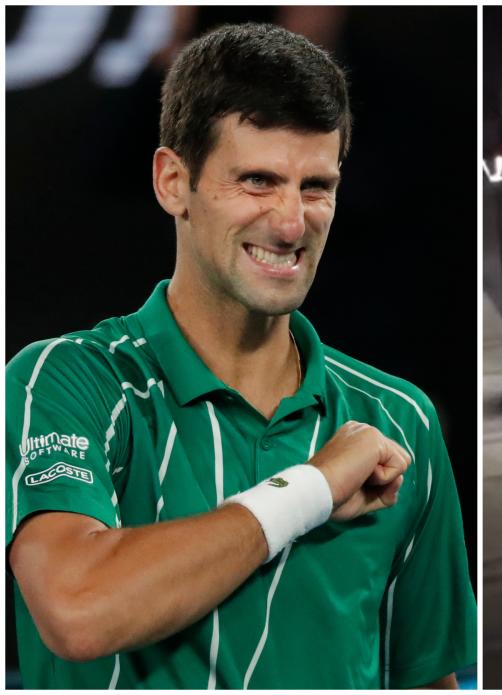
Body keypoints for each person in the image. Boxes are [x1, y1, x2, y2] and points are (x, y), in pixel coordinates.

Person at [6, 23, 475, 689]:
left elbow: (425, 679)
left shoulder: (401, 420)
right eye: (257, 180)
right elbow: (79, 609)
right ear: (173, 181)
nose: (291, 222)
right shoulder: (66, 381)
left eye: (316, 186)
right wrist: (312, 488)